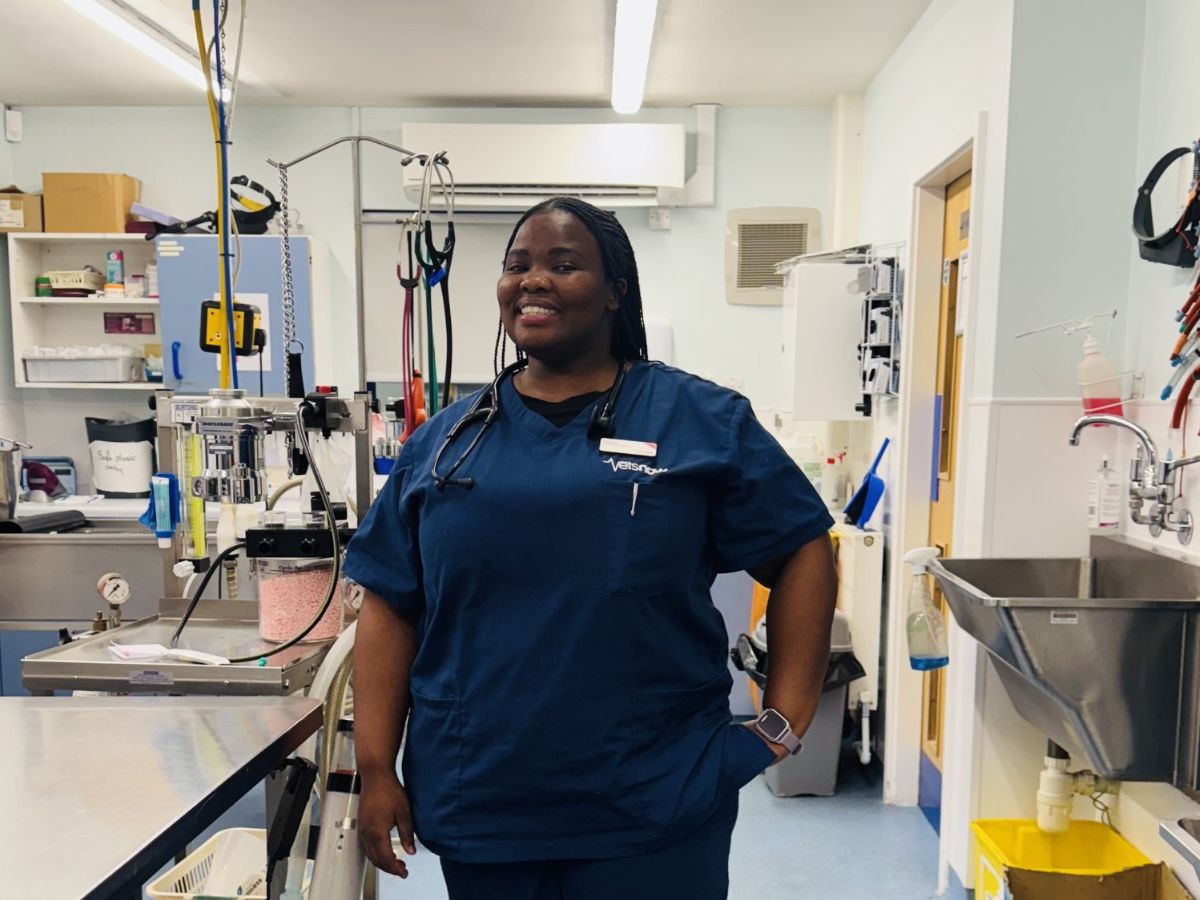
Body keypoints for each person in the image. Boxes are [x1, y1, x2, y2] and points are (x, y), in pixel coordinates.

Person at [345, 196, 837, 900]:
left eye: (564, 264)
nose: (533, 279)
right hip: (484, 802)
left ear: (616, 293)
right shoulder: (446, 442)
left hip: (655, 801)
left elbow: (801, 548)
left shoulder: (697, 420)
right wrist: (376, 770)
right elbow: (390, 602)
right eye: (518, 265)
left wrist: (782, 725)